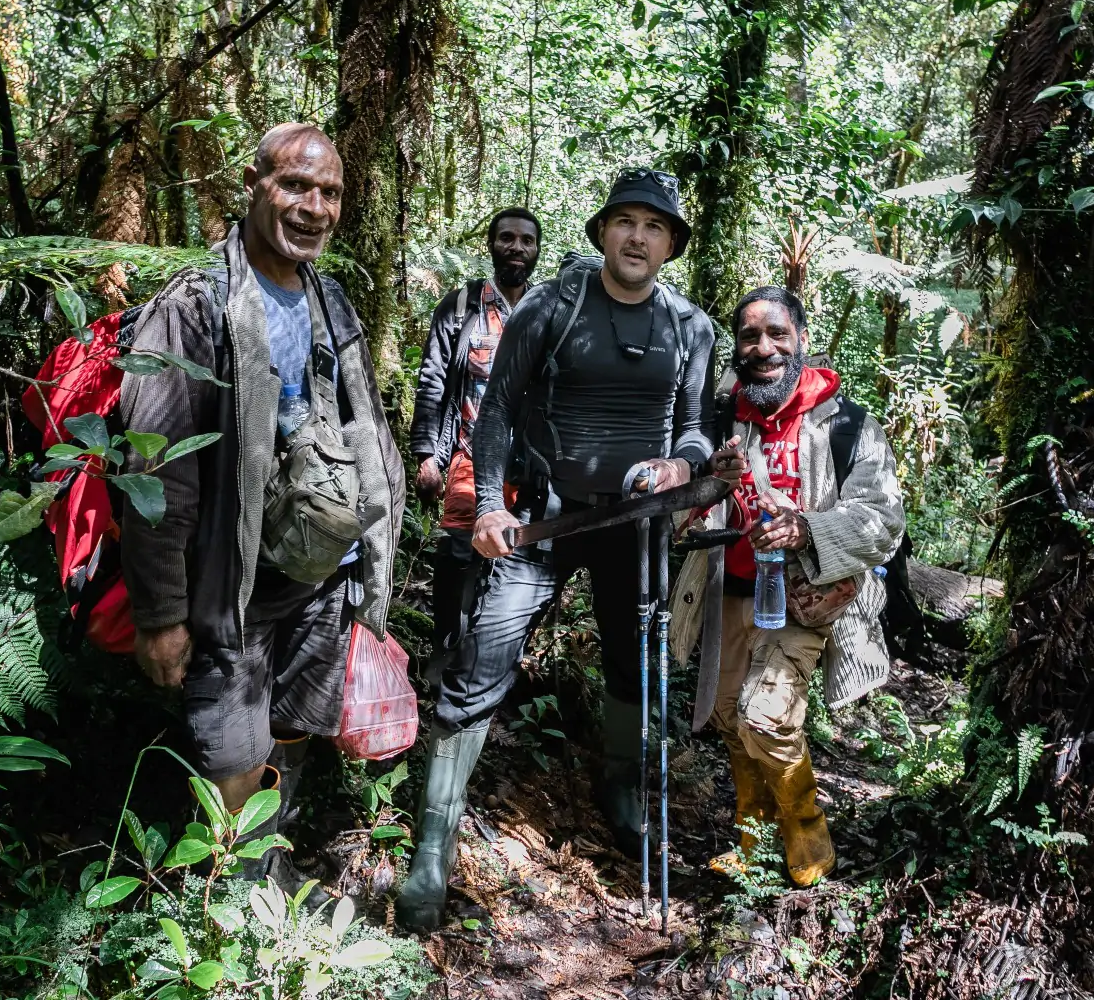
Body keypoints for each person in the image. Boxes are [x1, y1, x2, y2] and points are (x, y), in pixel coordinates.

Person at [395, 169, 716, 932]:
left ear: (670, 244)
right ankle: (431, 852)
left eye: (654, 226)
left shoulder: (691, 327)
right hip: (540, 518)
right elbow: (498, 406)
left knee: (632, 666)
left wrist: (681, 464)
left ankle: (623, 794)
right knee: (480, 663)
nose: (638, 236)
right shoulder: (553, 304)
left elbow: (699, 425)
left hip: (634, 526)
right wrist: (489, 503)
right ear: (603, 231)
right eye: (625, 221)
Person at [118, 123, 405, 893]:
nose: (314, 207)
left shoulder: (329, 298)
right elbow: (153, 468)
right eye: (295, 186)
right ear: (254, 184)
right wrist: (162, 614)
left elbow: (361, 428)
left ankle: (266, 870)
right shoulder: (195, 304)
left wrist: (369, 570)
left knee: (293, 730)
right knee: (229, 758)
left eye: (330, 192)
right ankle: (229, 909)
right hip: (231, 590)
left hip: (321, 579)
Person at [690, 285, 904, 887]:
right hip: (729, 591)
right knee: (731, 717)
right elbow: (684, 504)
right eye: (750, 337)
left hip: (809, 600)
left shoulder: (849, 424)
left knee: (767, 718)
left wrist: (807, 529)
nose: (764, 348)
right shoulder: (715, 418)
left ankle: (806, 827)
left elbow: (883, 519)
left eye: (777, 334)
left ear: (802, 340)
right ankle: (751, 840)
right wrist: (710, 478)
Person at [409, 208, 543, 678]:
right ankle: (446, 649)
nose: (517, 248)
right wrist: (427, 453)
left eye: (526, 241)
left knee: (514, 560)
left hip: (526, 467)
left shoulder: (544, 309)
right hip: (468, 453)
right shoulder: (462, 305)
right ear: (491, 244)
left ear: (536, 250)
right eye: (507, 238)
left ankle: (491, 660)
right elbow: (432, 379)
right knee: (459, 554)